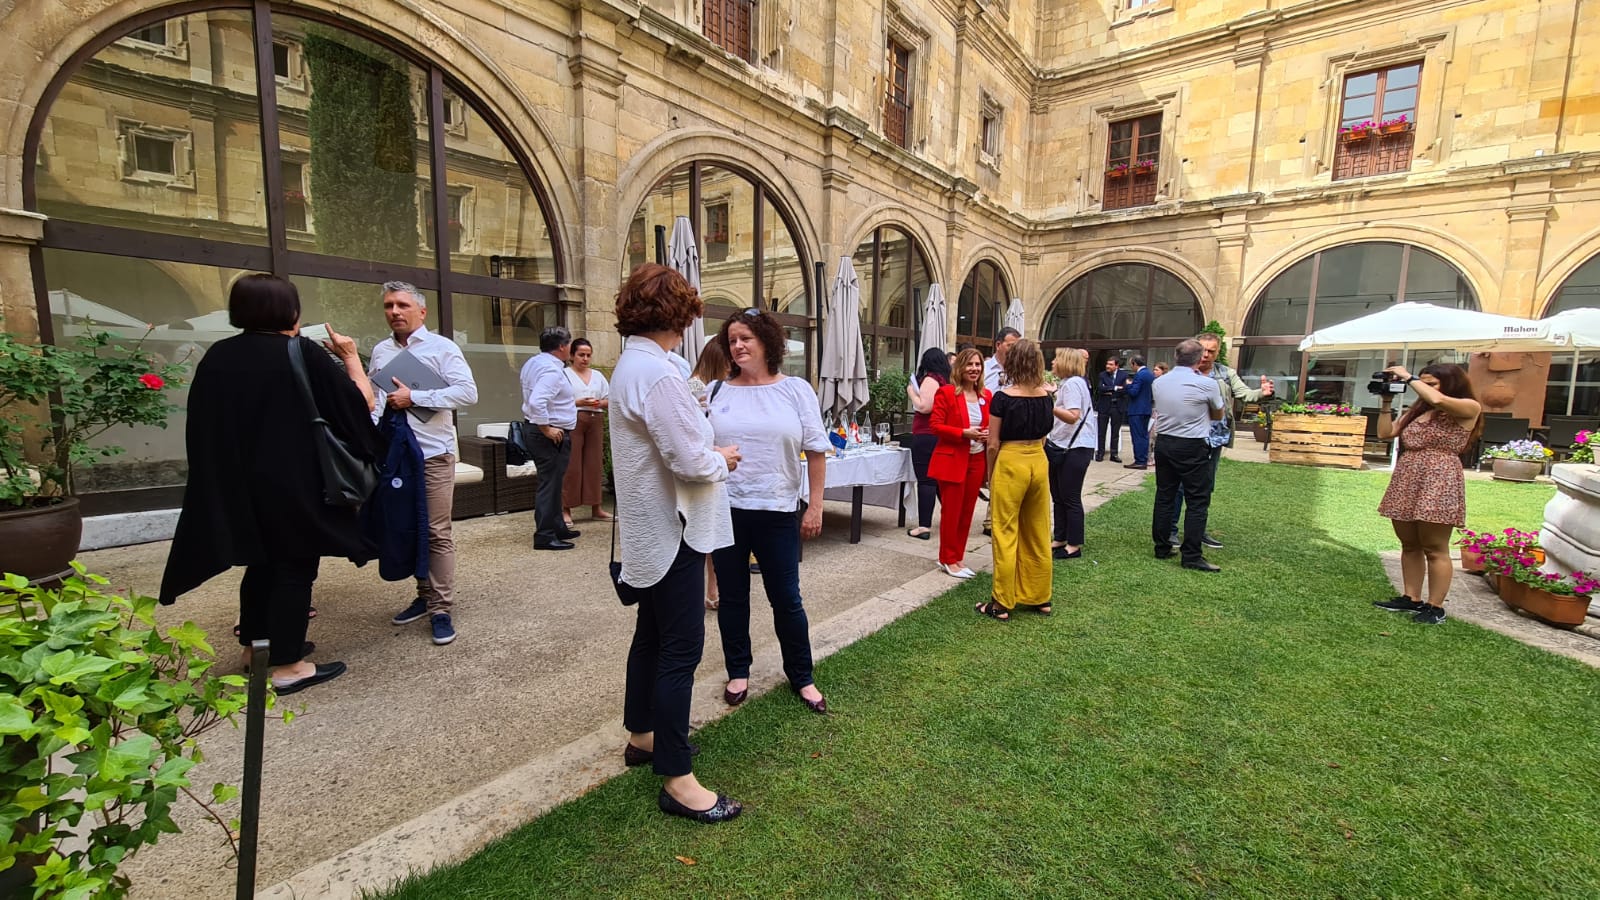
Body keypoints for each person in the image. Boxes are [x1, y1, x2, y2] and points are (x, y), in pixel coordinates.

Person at [160, 274, 375, 694]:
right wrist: (351, 360)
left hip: (238, 484)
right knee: (294, 567)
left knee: (260, 563)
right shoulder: (300, 352)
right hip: (294, 483)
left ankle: (254, 650)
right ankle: (288, 665)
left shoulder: (218, 356)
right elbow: (359, 406)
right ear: (290, 311)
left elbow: (204, 427)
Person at [610, 263, 744, 824]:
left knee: (652, 636)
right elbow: (688, 459)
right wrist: (723, 458)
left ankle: (642, 735)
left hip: (652, 526)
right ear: (680, 315)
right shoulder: (659, 375)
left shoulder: (635, 367)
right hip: (675, 528)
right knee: (681, 648)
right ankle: (678, 777)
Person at [707, 308, 830, 715]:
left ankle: (802, 676)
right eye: (732, 340)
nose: (738, 346)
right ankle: (738, 670)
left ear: (766, 342)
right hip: (726, 508)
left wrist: (815, 506)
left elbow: (815, 449)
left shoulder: (795, 390)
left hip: (778, 509)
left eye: (746, 338)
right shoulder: (716, 392)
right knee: (732, 597)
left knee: (787, 599)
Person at [368, 282, 479, 647]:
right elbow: (377, 400)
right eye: (388, 305)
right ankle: (423, 592)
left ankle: (441, 608)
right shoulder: (382, 351)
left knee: (436, 531)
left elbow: (467, 393)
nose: (395, 312)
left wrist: (415, 396)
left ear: (421, 312)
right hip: (396, 456)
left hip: (433, 455)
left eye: (402, 305)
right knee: (406, 526)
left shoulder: (441, 348)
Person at [1374, 364, 1482, 624]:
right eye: (1423, 383)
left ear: (1451, 383)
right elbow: (1385, 433)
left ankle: (1435, 606)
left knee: (1435, 547)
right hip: (1408, 477)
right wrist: (1387, 402)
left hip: (1439, 479)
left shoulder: (1469, 406)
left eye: (1431, 383)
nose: (1422, 388)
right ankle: (1411, 598)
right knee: (1409, 543)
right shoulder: (1419, 410)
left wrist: (1409, 377)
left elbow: (1437, 399)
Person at [1166, 332, 1275, 548]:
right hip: (1186, 437)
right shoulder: (1183, 373)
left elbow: (1245, 394)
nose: (1206, 355)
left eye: (1211, 351)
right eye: (1203, 350)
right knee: (1179, 486)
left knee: (1205, 486)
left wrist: (1262, 393)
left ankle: (1197, 531)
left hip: (1213, 439)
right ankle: (1171, 530)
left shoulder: (1225, 374)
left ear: (1217, 353)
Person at [978, 338, 1055, 620]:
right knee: (1038, 530)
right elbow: (1045, 436)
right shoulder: (1046, 397)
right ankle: (1040, 596)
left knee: (1005, 531)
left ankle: (1001, 601)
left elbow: (993, 443)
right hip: (1038, 458)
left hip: (1011, 461)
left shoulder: (1003, 397)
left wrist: (990, 472)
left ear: (1012, 363)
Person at [1151, 339, 1226, 573]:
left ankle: (1162, 546)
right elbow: (1218, 414)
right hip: (1192, 445)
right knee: (1197, 500)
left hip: (1164, 442)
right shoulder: (1206, 384)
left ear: (1176, 357)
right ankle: (1191, 555)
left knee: (1165, 495)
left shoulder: (1160, 382)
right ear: (1198, 358)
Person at [928, 348, 990, 578]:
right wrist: (964, 433)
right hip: (953, 459)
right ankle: (947, 559)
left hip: (976, 459)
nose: (974, 369)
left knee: (967, 512)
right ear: (960, 367)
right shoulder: (946, 393)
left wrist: (986, 433)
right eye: (970, 364)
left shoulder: (986, 396)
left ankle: (957, 557)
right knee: (951, 512)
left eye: (978, 365)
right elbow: (935, 426)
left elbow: (988, 424)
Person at [520, 326, 582, 550]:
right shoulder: (552, 371)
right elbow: (537, 401)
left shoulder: (534, 363)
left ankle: (557, 526)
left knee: (554, 482)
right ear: (562, 347)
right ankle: (545, 535)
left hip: (541, 430)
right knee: (550, 484)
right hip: (549, 434)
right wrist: (546, 428)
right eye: (569, 344)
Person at [688, 337, 732, 610]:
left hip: (717, 464)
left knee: (713, 534)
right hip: (707, 466)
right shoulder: (696, 387)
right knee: (706, 535)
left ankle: (713, 588)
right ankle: (711, 589)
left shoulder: (717, 387)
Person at [1046, 348, 1096, 560]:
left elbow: (1073, 416)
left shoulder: (1074, 383)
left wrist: (1048, 404)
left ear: (1065, 362)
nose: (1052, 363)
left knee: (1070, 497)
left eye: (1056, 359)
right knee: (1059, 495)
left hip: (1074, 448)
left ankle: (1073, 544)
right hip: (1064, 445)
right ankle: (1060, 537)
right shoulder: (1070, 383)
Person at [562, 338, 611, 526]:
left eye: (588, 355)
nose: (585, 358)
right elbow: (558, 401)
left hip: (595, 418)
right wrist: (579, 402)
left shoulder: (597, 376)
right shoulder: (564, 374)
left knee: (594, 463)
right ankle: (566, 509)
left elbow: (609, 399)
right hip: (574, 418)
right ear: (572, 355)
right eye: (581, 355)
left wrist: (598, 403)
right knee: (572, 465)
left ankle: (596, 507)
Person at [905, 347, 951, 540]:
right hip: (939, 435)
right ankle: (950, 519)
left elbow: (924, 406)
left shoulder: (931, 379)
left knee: (926, 480)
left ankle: (924, 526)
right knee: (939, 482)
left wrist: (911, 392)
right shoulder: (946, 381)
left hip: (925, 434)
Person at [1094, 356, 1130, 462]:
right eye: (1107, 364)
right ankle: (1100, 453)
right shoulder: (1102, 375)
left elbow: (1125, 390)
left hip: (1117, 406)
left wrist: (1109, 389)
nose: (1107, 366)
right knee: (1101, 431)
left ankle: (1114, 454)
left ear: (1116, 365)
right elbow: (1100, 388)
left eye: (1110, 364)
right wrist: (1114, 388)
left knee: (1115, 432)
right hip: (1104, 406)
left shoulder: (1124, 375)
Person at [1123, 356, 1155, 469]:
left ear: (1134, 364)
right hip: (1146, 408)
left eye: (1131, 364)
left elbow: (1133, 392)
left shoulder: (1139, 375)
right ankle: (1143, 459)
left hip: (1137, 409)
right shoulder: (1150, 374)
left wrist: (1128, 385)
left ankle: (1140, 460)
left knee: (1137, 436)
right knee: (1144, 435)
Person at [983, 327, 1020, 393]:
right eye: (1010, 346)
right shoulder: (983, 369)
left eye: (1017, 347)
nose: (1015, 350)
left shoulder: (1020, 371)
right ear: (998, 345)